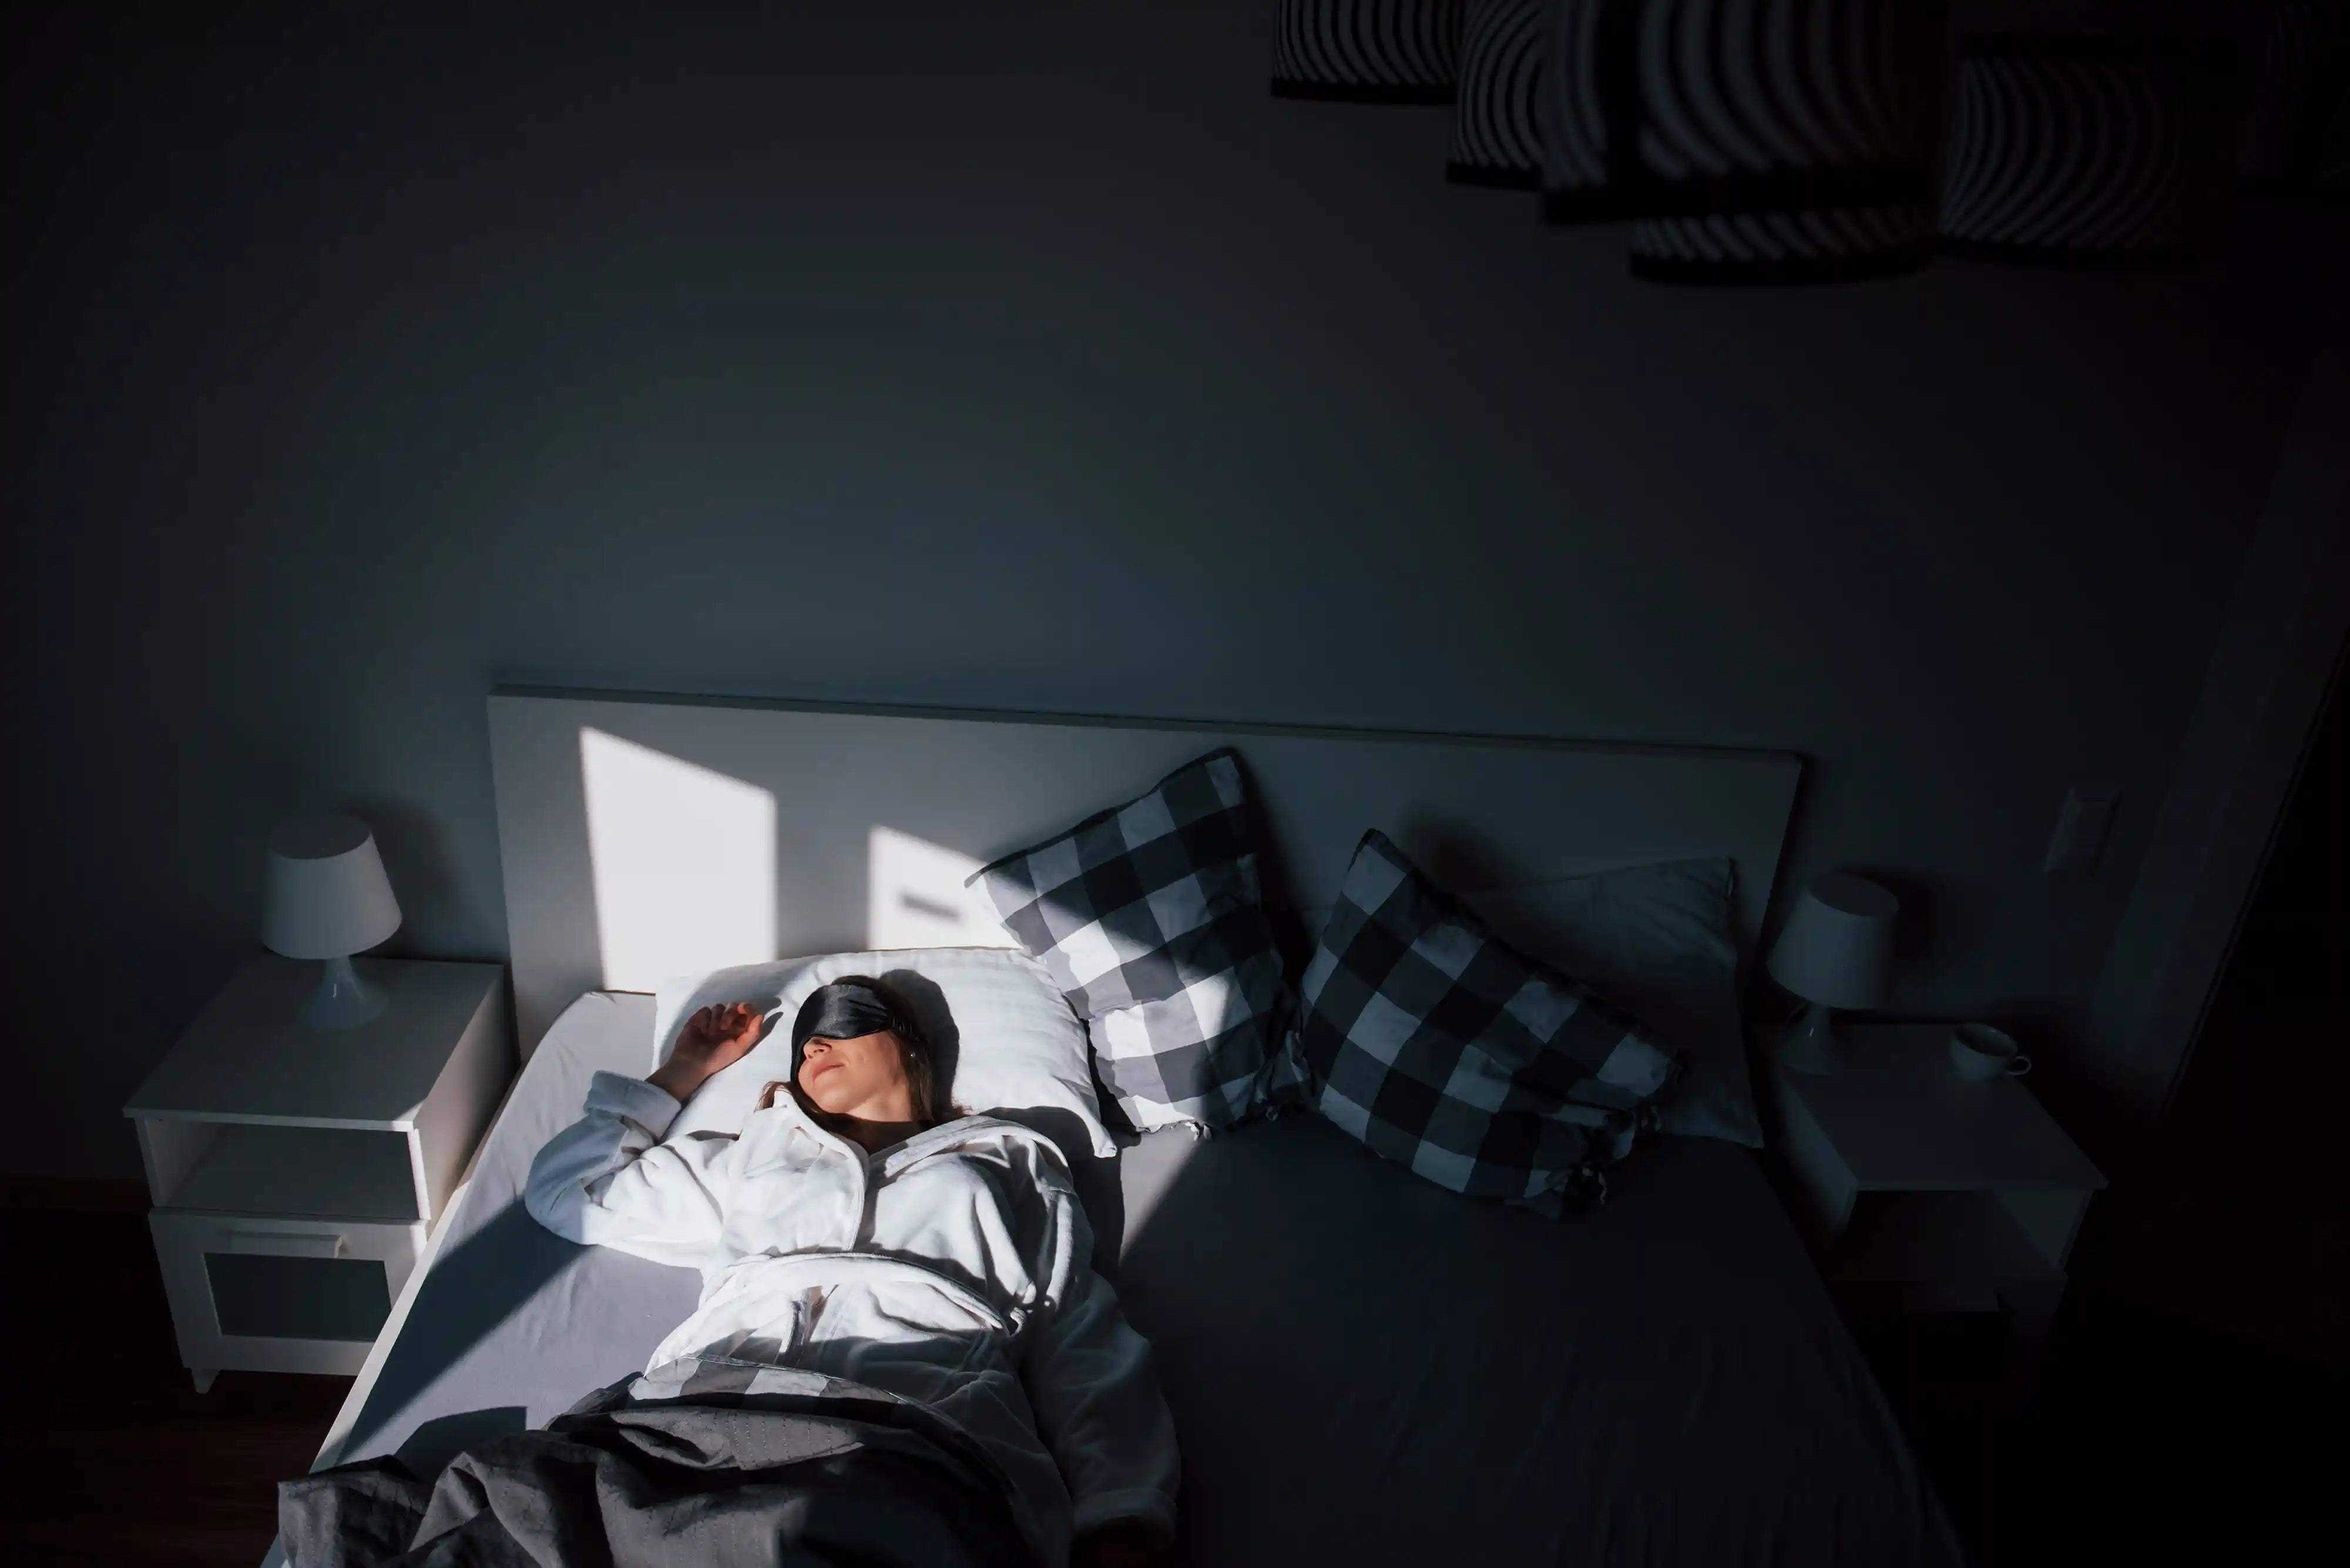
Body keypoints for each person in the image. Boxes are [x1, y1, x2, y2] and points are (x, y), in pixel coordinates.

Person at [526, 976, 1179, 1568]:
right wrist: (684, 1069)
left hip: (911, 1415)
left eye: (845, 1022)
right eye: (804, 1042)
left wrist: (1119, 1515)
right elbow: (567, 1190)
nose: (814, 1045)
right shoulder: (757, 1157)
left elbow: (1075, 1331)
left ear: (909, 1046)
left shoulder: (1007, 1159)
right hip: (702, 1409)